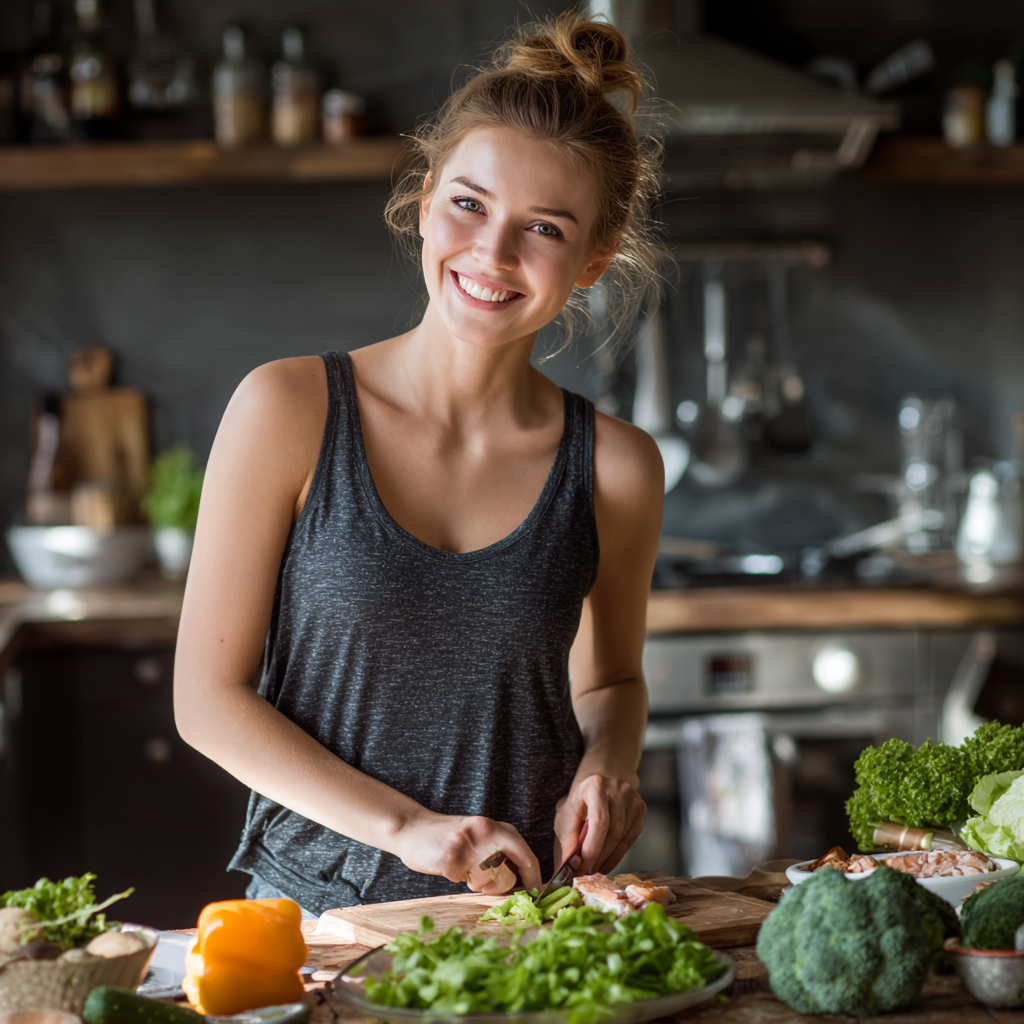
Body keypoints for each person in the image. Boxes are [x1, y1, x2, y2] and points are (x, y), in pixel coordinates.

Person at [173, 11, 665, 916]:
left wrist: (609, 765)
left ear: (594, 261)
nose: (493, 252)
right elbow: (208, 699)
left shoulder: (617, 469)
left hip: (526, 918)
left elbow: (612, 681)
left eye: (545, 229)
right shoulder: (287, 410)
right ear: (427, 196)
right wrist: (406, 829)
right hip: (316, 917)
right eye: (470, 205)